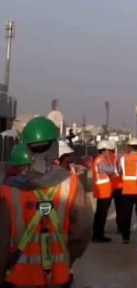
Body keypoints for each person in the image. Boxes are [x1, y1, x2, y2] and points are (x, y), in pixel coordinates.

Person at [0, 117, 93, 286]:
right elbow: (83, 231)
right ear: (54, 148)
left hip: (18, 277)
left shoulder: (7, 190)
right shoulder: (70, 184)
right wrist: (67, 258)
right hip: (57, 276)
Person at [117, 137, 137, 244]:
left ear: (129, 147)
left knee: (126, 214)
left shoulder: (123, 158)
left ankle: (125, 236)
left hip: (127, 189)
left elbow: (119, 171)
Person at [90, 141, 117, 243]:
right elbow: (110, 170)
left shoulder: (99, 159)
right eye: (109, 151)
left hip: (103, 190)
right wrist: (112, 161)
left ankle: (98, 234)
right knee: (101, 214)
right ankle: (98, 235)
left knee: (101, 214)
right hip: (103, 190)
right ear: (103, 150)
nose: (110, 153)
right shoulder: (101, 160)